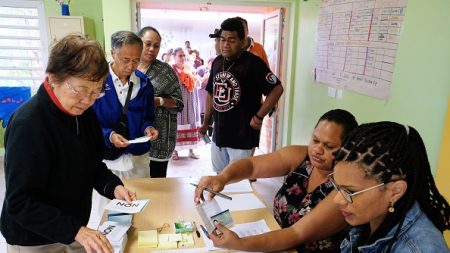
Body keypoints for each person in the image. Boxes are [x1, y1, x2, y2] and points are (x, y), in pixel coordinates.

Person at [0, 33, 136, 253]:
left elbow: (91, 165)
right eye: (80, 91)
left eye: (96, 92)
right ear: (54, 78)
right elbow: (20, 203)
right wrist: (77, 231)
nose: (87, 100)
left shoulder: (84, 114)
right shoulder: (28, 124)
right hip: (33, 239)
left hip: (72, 227)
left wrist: (113, 186)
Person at [195, 109, 358, 252]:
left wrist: (239, 243)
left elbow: (296, 234)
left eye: (329, 147)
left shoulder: (344, 190)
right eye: (315, 140)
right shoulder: (300, 157)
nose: (317, 150)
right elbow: (251, 166)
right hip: (273, 237)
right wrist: (223, 177)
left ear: (347, 148)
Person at [331, 122, 450, 252]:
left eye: (350, 191)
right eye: (337, 186)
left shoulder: (419, 249)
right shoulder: (370, 220)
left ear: (395, 192)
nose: (337, 199)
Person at [199, 17, 284, 174]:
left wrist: (259, 117)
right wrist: (206, 122)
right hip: (219, 134)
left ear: (242, 41)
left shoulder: (253, 63)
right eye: (222, 40)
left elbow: (277, 89)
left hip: (242, 136)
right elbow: (211, 92)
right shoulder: (217, 62)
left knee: (238, 182)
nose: (225, 45)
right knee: (218, 177)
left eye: (231, 40)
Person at [93, 31, 159, 179]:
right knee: (108, 201)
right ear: (112, 53)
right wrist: (109, 136)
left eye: (136, 60)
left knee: (140, 199)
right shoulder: (97, 81)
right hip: (107, 159)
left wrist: (149, 128)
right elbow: (89, 122)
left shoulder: (144, 84)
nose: (131, 66)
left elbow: (148, 117)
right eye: (126, 60)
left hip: (138, 158)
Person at [137, 26, 184, 178]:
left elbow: (179, 103)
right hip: (132, 136)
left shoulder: (165, 71)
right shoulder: (127, 67)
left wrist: (159, 101)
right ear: (138, 43)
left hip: (159, 139)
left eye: (156, 46)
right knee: (135, 185)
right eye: (148, 44)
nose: (152, 49)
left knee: (156, 185)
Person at [172, 47, 202, 160]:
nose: (183, 58)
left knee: (192, 122)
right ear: (174, 57)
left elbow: (197, 83)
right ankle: (175, 151)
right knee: (177, 124)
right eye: (180, 55)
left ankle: (191, 150)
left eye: (184, 55)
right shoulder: (171, 70)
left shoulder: (190, 69)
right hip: (178, 103)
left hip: (191, 102)